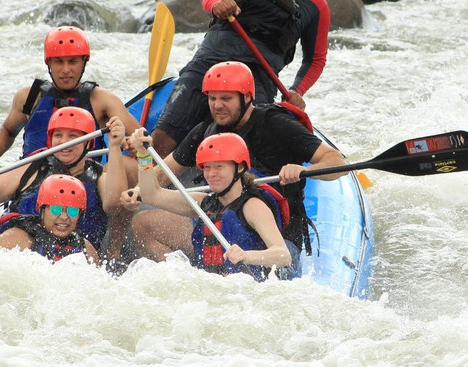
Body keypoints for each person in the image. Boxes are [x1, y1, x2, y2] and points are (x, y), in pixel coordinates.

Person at [124, 61, 345, 270]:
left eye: (226, 98)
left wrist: (304, 170)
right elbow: (162, 176)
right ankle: (194, 270)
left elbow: (337, 162)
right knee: (145, 224)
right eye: (212, 99)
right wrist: (138, 186)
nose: (218, 106)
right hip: (222, 219)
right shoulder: (206, 131)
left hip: (275, 235)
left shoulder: (276, 125)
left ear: (247, 97)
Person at [151, 0, 331, 157]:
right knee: (161, 138)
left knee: (243, 151)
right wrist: (218, 5)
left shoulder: (314, 3)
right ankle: (149, 183)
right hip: (208, 65)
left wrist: (297, 90)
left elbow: (315, 59)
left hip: (257, 77)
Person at [0, 107, 128, 263]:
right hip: (21, 251)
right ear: (50, 139)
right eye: (58, 135)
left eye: (73, 136)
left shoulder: (99, 177)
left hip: (74, 257)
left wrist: (114, 146)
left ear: (88, 143)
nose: (64, 142)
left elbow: (115, 203)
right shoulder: (33, 166)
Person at [129, 129, 290, 279]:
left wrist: (246, 256)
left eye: (219, 167)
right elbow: (151, 195)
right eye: (207, 167)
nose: (211, 174)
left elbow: (283, 255)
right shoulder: (204, 202)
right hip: (210, 290)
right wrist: (143, 155)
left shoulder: (253, 206)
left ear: (239, 167)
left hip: (248, 293)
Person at [0, 25, 140, 173]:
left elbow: (143, 139)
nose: (66, 70)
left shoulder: (103, 100)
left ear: (84, 61)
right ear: (48, 63)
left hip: (84, 183)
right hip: (33, 181)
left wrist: (135, 144)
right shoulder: (29, 97)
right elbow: (8, 130)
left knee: (127, 165)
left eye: (73, 61)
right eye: (58, 62)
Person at [0, 174, 98, 263]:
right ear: (41, 210)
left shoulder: (87, 250)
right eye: (56, 209)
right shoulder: (17, 238)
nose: (64, 217)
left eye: (72, 211)